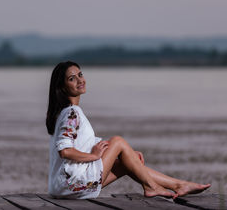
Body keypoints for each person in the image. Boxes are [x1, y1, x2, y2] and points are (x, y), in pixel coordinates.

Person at [47, 61, 211, 199]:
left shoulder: (66, 113)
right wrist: (94, 155)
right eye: (72, 78)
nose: (79, 80)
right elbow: (65, 151)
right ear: (62, 87)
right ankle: (153, 187)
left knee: (129, 161)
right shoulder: (72, 113)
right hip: (72, 184)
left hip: (65, 187)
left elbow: (81, 143)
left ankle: (178, 185)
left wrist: (128, 155)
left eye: (80, 75)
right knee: (118, 141)